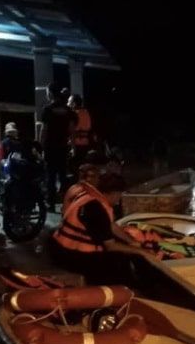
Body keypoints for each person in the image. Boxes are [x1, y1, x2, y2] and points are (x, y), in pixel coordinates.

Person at [47, 172, 152, 285]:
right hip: (73, 254)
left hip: (61, 246)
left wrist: (132, 242)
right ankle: (124, 292)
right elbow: (110, 246)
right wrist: (142, 252)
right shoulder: (96, 209)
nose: (119, 200)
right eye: (119, 195)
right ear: (113, 193)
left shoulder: (89, 195)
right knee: (121, 260)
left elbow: (110, 225)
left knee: (126, 249)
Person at [37, 82, 77, 212]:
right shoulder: (67, 111)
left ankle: (51, 203)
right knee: (63, 175)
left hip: (50, 147)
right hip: (63, 147)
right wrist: (73, 146)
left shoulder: (48, 109)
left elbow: (44, 130)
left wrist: (40, 146)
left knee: (51, 176)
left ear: (50, 93)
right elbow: (71, 130)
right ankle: (67, 202)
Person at [68, 94, 94, 176]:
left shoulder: (73, 115)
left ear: (74, 103)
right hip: (85, 144)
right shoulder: (86, 113)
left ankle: (76, 186)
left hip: (75, 144)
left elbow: (71, 131)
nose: (67, 103)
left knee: (73, 169)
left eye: (69, 102)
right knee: (81, 167)